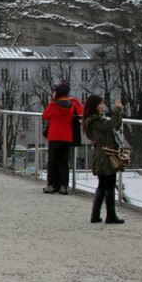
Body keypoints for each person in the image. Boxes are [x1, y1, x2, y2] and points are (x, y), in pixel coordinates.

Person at [82, 95, 125, 224]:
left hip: (102, 154)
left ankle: (96, 215)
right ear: (94, 106)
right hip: (104, 155)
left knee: (103, 184)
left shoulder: (94, 119)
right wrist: (117, 111)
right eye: (100, 104)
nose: (103, 106)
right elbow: (108, 125)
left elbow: (113, 125)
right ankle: (110, 216)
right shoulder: (94, 121)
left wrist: (119, 113)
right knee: (109, 184)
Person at [41, 81, 83, 194]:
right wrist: (74, 100)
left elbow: (45, 116)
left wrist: (51, 103)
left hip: (54, 136)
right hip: (67, 137)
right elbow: (80, 111)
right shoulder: (72, 104)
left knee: (52, 161)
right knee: (64, 162)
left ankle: (51, 185)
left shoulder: (54, 105)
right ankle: (64, 186)